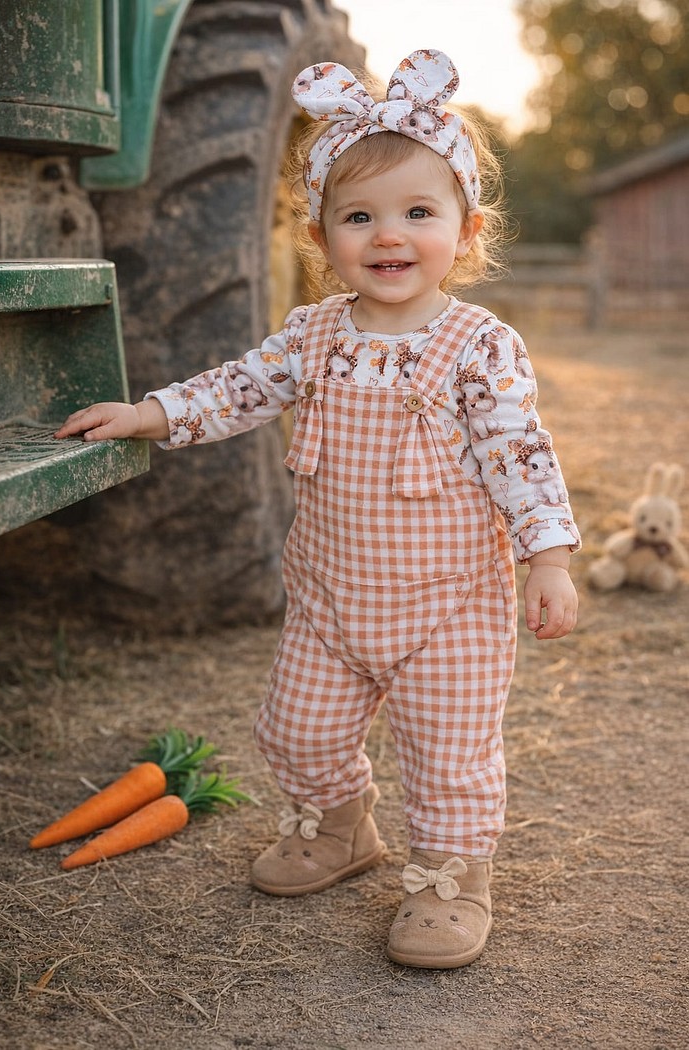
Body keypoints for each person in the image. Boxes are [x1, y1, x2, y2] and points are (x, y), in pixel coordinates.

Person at [56, 50, 581, 969]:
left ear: (466, 230)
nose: (390, 235)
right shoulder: (314, 334)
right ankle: (340, 827)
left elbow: (520, 455)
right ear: (321, 232)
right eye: (360, 215)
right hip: (331, 600)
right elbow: (239, 388)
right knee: (295, 731)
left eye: (420, 212)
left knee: (448, 755)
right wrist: (151, 412)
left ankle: (453, 879)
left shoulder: (478, 346)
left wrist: (548, 557)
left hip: (448, 606)